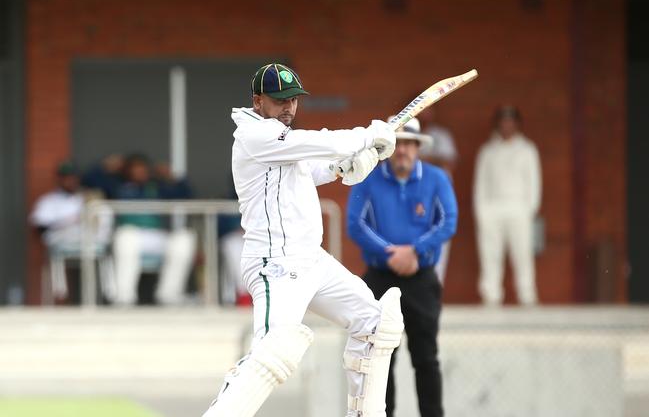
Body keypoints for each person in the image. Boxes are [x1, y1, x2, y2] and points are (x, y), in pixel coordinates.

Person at [202, 63, 404, 417]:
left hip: (312, 259)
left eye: (293, 100)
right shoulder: (254, 136)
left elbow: (312, 167)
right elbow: (315, 141)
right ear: (257, 100)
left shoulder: (282, 143)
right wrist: (367, 135)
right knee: (272, 353)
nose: (288, 108)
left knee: (375, 324)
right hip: (275, 262)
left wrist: (344, 167)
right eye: (280, 101)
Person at [347, 117, 458, 417]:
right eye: (398, 144)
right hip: (380, 279)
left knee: (426, 359)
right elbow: (354, 224)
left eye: (410, 144)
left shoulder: (436, 179)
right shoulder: (368, 178)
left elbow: (448, 221)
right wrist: (389, 254)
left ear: (418, 148)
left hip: (421, 279)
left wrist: (414, 252)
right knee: (380, 360)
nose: (403, 151)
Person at [473, 105, 542, 306]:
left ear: (517, 124)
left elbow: (534, 183)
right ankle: (491, 296)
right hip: (492, 208)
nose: (507, 125)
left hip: (519, 208)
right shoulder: (488, 151)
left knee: (522, 254)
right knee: (490, 254)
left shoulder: (528, 150)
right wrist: (482, 212)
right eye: (503, 121)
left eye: (510, 121)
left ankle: (527, 296)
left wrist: (529, 210)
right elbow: (481, 184)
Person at [111, 154, 196, 306]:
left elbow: (186, 194)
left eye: (142, 168)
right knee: (126, 237)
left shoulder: (157, 186)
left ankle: (169, 294)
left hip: (157, 235)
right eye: (135, 169)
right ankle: (124, 297)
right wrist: (105, 169)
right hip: (133, 234)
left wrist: (172, 177)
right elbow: (93, 181)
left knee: (184, 239)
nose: (139, 172)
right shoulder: (118, 186)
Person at [30, 161, 112, 301]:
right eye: (66, 177)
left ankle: (106, 296)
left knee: (99, 233)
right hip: (62, 240)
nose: (70, 181)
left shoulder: (87, 198)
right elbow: (40, 227)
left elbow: (105, 221)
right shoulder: (49, 201)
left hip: (91, 241)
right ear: (59, 179)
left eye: (73, 177)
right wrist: (69, 221)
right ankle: (60, 295)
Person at [418, 106, 459, 283]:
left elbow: (449, 162)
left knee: (439, 244)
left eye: (428, 109)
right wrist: (433, 160)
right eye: (421, 109)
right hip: (413, 197)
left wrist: (423, 160)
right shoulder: (405, 134)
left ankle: (434, 289)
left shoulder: (441, 135)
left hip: (437, 198)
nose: (425, 114)